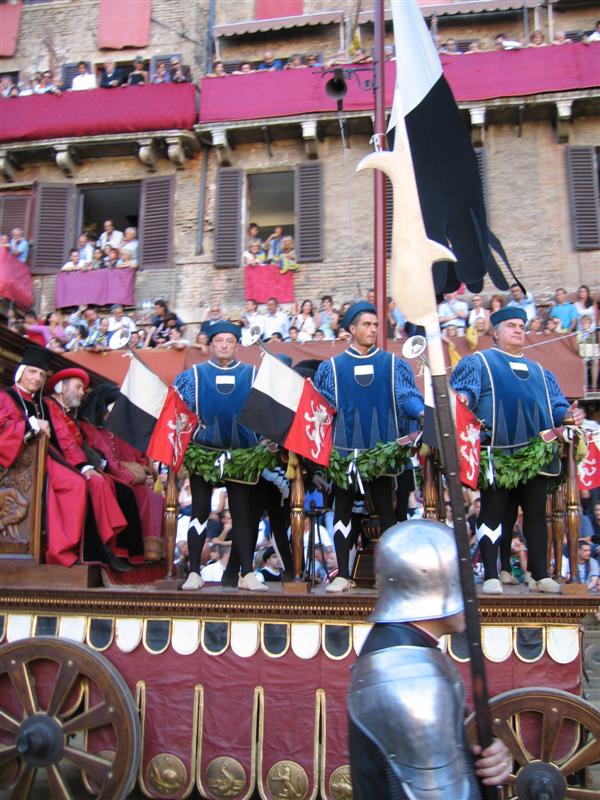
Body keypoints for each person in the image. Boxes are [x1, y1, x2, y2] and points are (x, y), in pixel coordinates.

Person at [348, 519, 511, 799]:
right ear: (432, 584)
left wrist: (477, 762)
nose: (471, 594)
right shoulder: (410, 678)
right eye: (461, 581)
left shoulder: (402, 650)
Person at [451, 306, 584, 594]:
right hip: (496, 453)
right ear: (496, 332)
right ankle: (491, 575)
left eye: (522, 326)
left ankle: (539, 575)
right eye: (511, 325)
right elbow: (466, 394)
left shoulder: (541, 372)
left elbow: (556, 405)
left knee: (536, 513)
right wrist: (462, 397)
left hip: (535, 454)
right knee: (492, 512)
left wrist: (567, 415)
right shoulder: (479, 362)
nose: (519, 330)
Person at [314, 301, 424, 592]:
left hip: (382, 453)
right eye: (367, 324)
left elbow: (407, 397)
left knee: (387, 511)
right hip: (344, 453)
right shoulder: (331, 368)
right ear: (352, 329)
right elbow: (322, 407)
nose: (373, 329)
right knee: (342, 510)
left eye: (376, 325)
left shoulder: (394, 364)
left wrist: (421, 411)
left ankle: (387, 576)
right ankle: (342, 575)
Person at [173, 321, 266, 591]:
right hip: (203, 452)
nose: (224, 346)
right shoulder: (193, 376)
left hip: (240, 455)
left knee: (241, 514)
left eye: (229, 341)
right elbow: (179, 411)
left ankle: (247, 573)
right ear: (211, 344)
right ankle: (194, 572)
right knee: (200, 511)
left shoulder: (252, 375)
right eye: (219, 341)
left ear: (236, 346)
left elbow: (264, 412)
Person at [45, 368, 145, 567]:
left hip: (73, 463)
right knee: (98, 483)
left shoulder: (66, 413)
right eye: (78, 387)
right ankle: (102, 546)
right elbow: (65, 443)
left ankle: (112, 547)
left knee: (118, 488)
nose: (82, 392)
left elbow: (82, 445)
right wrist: (84, 467)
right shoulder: (51, 407)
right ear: (60, 387)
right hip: (58, 465)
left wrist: (94, 463)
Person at [0, 347, 90, 566]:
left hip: (44, 459)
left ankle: (62, 550)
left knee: (77, 483)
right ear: (21, 372)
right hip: (19, 464)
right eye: (32, 372)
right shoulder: (6, 397)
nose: (37, 378)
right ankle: (58, 552)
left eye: (41, 374)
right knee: (74, 485)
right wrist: (31, 424)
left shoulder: (39, 403)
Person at [78, 383, 164, 561]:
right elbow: (106, 462)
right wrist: (132, 476)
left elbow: (134, 456)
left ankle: (149, 550)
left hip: (120, 474)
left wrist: (144, 473)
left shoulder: (114, 429)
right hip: (104, 474)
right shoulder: (88, 427)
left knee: (153, 496)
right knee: (129, 493)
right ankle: (125, 551)